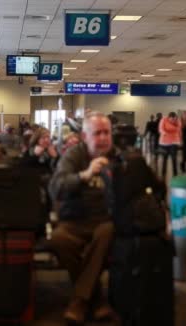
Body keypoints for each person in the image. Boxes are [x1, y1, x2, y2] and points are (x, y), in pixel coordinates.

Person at [48, 111, 116, 324]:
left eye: (107, 133)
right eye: (97, 133)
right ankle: (96, 298)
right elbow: (56, 187)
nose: (103, 138)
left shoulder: (119, 157)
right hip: (75, 220)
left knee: (107, 232)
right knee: (59, 239)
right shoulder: (74, 156)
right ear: (85, 137)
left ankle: (79, 302)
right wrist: (84, 175)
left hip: (105, 221)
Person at [159, 112, 182, 178]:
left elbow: (179, 130)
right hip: (164, 142)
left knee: (174, 158)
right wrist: (165, 133)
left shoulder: (178, 121)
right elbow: (161, 129)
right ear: (168, 117)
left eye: (174, 119)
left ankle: (175, 174)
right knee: (165, 158)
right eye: (172, 119)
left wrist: (180, 141)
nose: (173, 121)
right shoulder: (163, 120)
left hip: (174, 142)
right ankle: (163, 173)